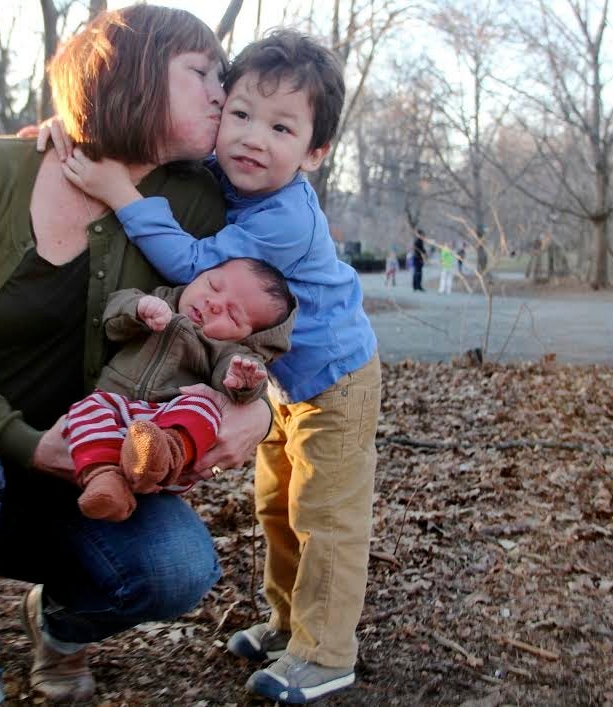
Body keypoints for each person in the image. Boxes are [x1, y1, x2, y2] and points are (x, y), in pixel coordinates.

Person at [0, 7, 277, 706]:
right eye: (202, 72)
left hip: (87, 481)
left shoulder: (194, 203)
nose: (221, 93)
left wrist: (259, 406)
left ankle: (59, 623)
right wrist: (25, 441)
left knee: (179, 568)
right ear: (133, 73)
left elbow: (258, 314)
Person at [52, 28, 381, 704]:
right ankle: (289, 623)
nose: (252, 138)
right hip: (282, 384)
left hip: (339, 380)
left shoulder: (285, 214)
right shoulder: (231, 181)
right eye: (240, 114)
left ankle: (326, 652)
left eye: (281, 127)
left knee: (327, 513)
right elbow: (157, 150)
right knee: (277, 505)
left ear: (315, 153)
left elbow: (200, 267)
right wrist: (70, 127)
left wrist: (119, 193)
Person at [67, 257, 295, 521]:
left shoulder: (228, 349)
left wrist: (242, 381)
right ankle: (105, 484)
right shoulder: (158, 301)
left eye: (232, 315)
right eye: (213, 285)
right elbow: (112, 319)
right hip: (115, 406)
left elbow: (240, 374)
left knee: (203, 405)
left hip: (168, 427)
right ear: (200, 275)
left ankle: (161, 456)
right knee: (86, 409)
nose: (213, 303)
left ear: (245, 336)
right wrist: (138, 309)